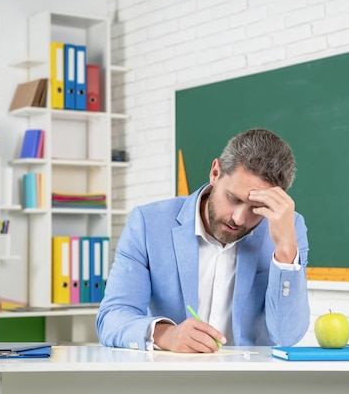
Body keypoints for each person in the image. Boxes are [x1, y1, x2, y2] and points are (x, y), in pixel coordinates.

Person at [96, 128, 310, 353]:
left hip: (247, 382)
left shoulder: (288, 228)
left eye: (256, 208)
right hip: (170, 379)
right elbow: (111, 318)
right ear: (215, 173)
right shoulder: (148, 224)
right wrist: (166, 335)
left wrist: (286, 253)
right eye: (233, 198)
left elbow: (287, 337)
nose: (239, 218)